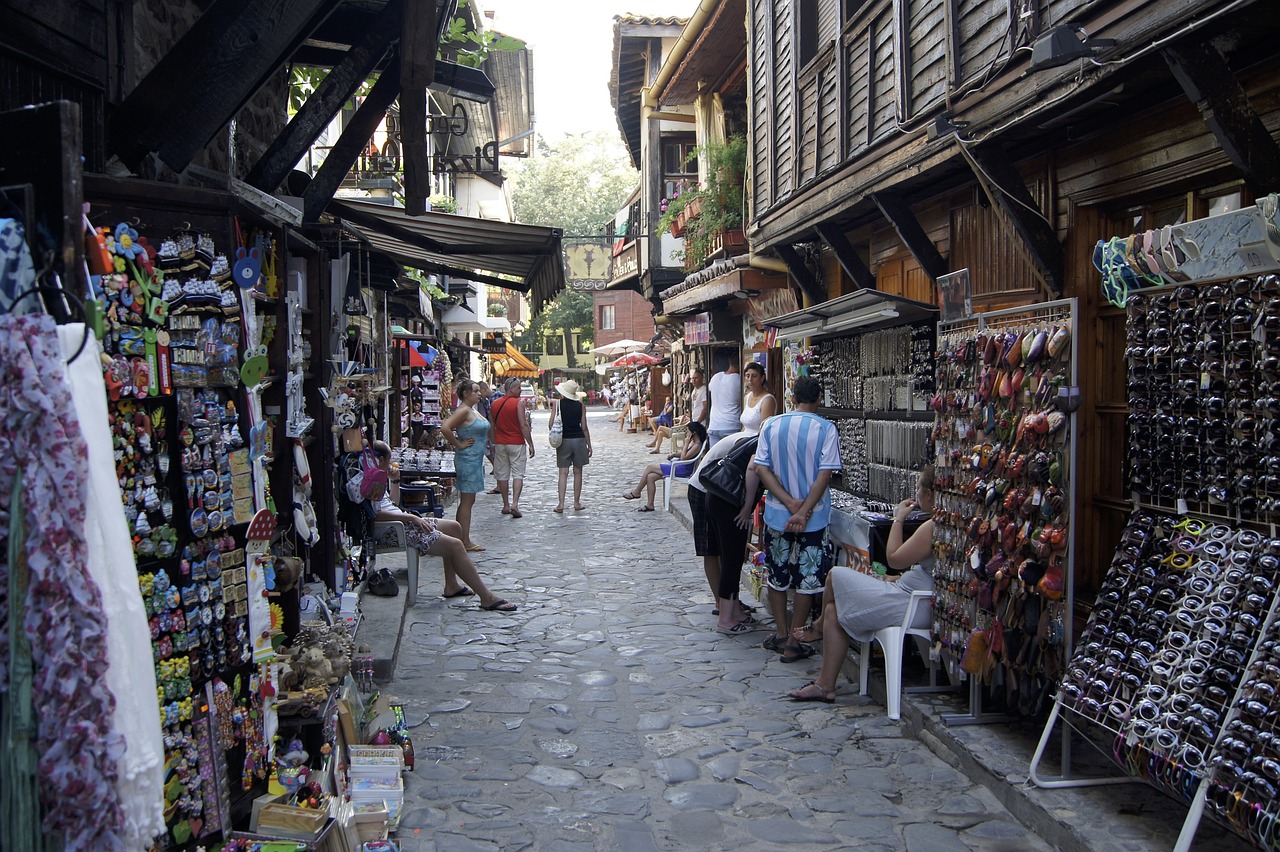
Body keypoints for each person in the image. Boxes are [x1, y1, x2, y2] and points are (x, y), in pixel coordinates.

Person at [788, 467, 936, 703]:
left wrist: (898, 518)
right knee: (833, 612)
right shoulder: (936, 524)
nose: (916, 494)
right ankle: (825, 686)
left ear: (928, 494)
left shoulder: (932, 527)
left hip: (910, 605)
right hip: (908, 597)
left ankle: (816, 629)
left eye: (918, 488)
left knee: (836, 575)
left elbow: (894, 559)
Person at [754, 376, 841, 663]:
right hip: (813, 519)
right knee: (808, 578)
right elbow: (824, 475)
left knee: (777, 575)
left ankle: (780, 632)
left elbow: (761, 468)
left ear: (793, 397)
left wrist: (788, 501)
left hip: (779, 514)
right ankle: (795, 639)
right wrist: (803, 511)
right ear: (818, 398)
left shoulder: (771, 425)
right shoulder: (826, 429)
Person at [371, 442, 516, 611]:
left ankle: (452, 585)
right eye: (389, 461)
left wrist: (394, 481)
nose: (390, 464)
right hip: (393, 528)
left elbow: (393, 504)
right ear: (381, 460)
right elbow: (376, 514)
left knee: (454, 528)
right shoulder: (369, 481)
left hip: (401, 521)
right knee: (455, 545)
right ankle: (486, 597)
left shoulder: (378, 477)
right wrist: (410, 517)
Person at [439, 379, 488, 552]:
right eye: (475, 391)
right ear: (466, 393)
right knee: (467, 500)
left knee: (469, 499)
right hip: (467, 459)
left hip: (474, 459)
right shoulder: (464, 411)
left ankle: (462, 537)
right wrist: (458, 444)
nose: (479, 393)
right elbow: (445, 427)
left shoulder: (471, 410)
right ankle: (464, 539)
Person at [624, 422, 706, 512]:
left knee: (650, 467)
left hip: (681, 470)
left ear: (693, 433)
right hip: (677, 466)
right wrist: (674, 454)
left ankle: (637, 492)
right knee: (650, 477)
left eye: (688, 432)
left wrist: (686, 443)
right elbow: (683, 454)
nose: (687, 434)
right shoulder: (693, 443)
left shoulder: (697, 445)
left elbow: (684, 457)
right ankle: (650, 504)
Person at [490, 376, 535, 518]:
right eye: (518, 387)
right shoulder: (519, 404)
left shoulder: (495, 404)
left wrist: (493, 442)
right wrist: (530, 443)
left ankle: (505, 505)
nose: (520, 390)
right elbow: (523, 425)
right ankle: (515, 503)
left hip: (500, 443)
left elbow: (492, 426)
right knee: (518, 474)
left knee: (502, 474)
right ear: (511, 389)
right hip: (516, 443)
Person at [550, 379, 592, 513]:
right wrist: (589, 445)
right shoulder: (581, 406)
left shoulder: (557, 405)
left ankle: (561, 504)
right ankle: (576, 502)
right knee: (578, 472)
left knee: (563, 473)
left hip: (564, 440)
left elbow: (551, 423)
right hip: (579, 439)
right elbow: (584, 427)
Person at [706, 360, 742, 447]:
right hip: (731, 425)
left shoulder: (715, 377)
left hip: (714, 425)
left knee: (715, 458)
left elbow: (710, 388)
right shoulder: (738, 379)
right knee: (731, 458)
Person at [740, 361, 777, 435]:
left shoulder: (767, 400)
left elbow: (764, 429)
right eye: (747, 376)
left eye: (754, 376)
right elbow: (745, 426)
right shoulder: (747, 397)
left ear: (762, 378)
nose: (750, 379)